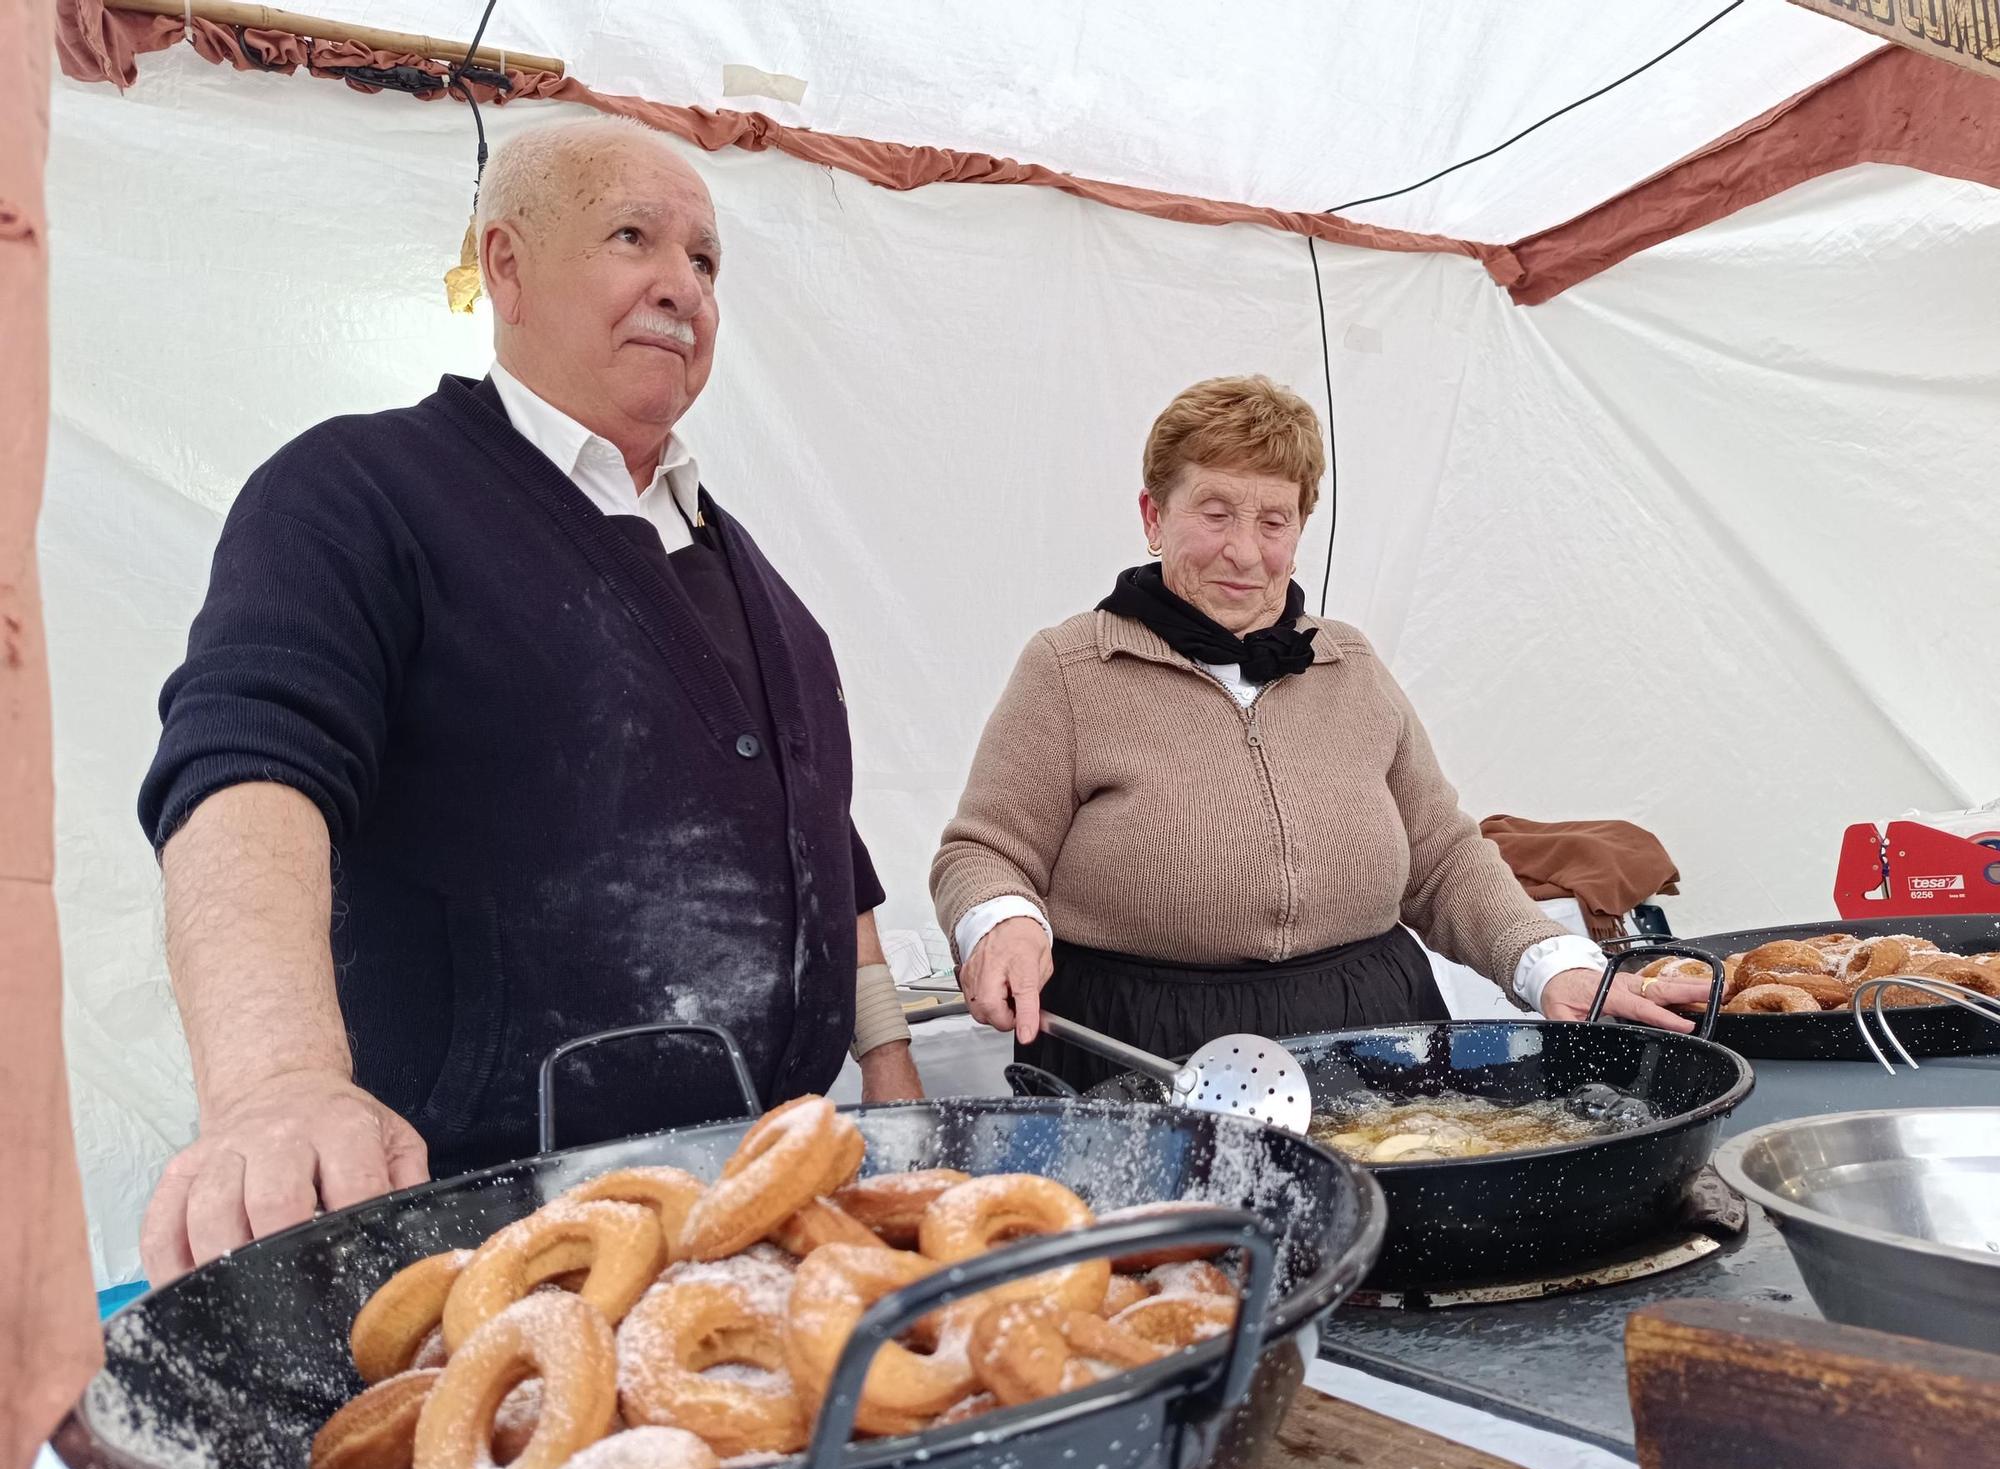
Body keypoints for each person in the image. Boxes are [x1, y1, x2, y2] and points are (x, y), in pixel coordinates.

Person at [135, 117, 920, 1283]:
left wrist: (893, 1083)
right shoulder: (361, 493)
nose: (679, 286)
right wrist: (277, 1080)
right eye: (630, 237)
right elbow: (248, 765)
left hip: (771, 1215)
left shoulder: (765, 588)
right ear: (505, 265)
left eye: (705, 261)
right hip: (481, 1240)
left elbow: (826, 850)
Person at [932, 375, 1704, 1090]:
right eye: (1214, 512)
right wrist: (1002, 921)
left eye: (1274, 520)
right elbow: (984, 851)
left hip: (1374, 1029)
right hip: (1146, 1039)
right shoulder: (1070, 668)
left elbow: (1440, 856)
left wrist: (1553, 965)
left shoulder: (1351, 665)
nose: (1244, 550)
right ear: (1152, 517)